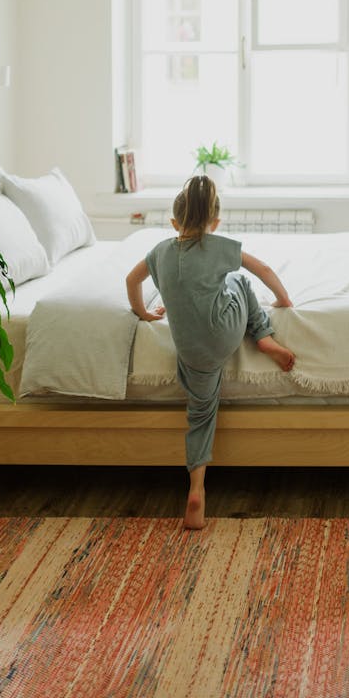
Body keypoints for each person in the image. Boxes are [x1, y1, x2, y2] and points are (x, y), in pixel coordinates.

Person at [125, 175, 295, 531]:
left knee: (200, 415)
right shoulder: (218, 245)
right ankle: (262, 334)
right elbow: (261, 269)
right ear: (214, 223)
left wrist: (142, 313)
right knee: (239, 281)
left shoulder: (159, 252)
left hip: (191, 350)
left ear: (174, 223)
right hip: (226, 334)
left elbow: (131, 280)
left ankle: (197, 490)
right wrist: (283, 300)